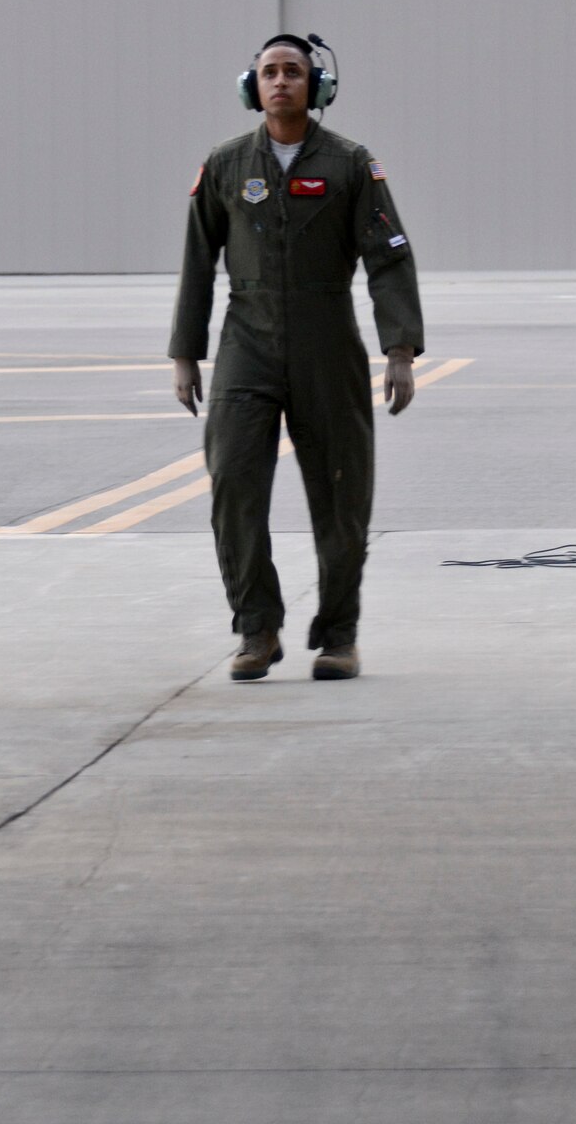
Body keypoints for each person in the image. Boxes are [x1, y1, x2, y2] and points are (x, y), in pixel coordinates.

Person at [168, 33, 424, 682]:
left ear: (318, 87)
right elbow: (199, 263)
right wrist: (185, 355)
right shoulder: (226, 166)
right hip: (245, 346)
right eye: (269, 73)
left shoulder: (349, 165)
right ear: (251, 87)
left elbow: (388, 257)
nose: (280, 82)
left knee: (341, 497)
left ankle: (339, 636)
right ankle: (257, 629)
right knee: (233, 487)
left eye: (293, 72)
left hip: (326, 346)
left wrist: (399, 349)